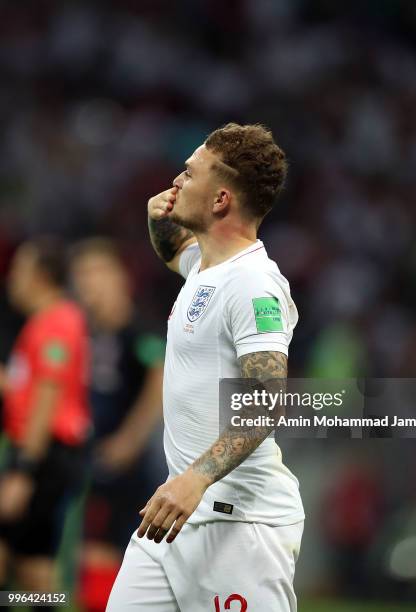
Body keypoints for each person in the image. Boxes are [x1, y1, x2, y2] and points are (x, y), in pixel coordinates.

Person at [107, 123, 304, 611]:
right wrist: (160, 217)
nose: (175, 181)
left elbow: (267, 399)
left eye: (188, 173)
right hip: (173, 518)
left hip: (239, 526)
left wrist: (195, 478)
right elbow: (173, 249)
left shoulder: (254, 284)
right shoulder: (205, 266)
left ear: (219, 201)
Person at [70, 238, 166, 612]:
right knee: (91, 554)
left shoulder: (138, 329)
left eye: (96, 273)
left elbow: (159, 377)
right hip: (91, 455)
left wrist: (129, 440)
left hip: (130, 461)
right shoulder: (86, 332)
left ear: (119, 277)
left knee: (110, 552)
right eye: (81, 276)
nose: (88, 283)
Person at [0, 238, 90, 599]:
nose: (11, 280)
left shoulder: (56, 321)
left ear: (41, 276)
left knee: (35, 569)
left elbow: (47, 400)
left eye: (19, 270)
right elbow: (30, 387)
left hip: (43, 455)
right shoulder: (42, 322)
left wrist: (23, 470)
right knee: (22, 563)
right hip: (38, 452)